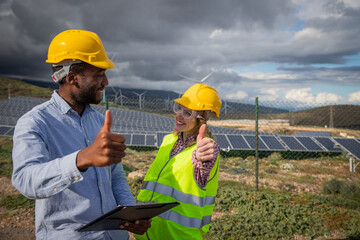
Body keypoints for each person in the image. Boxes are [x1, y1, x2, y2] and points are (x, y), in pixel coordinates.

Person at [11, 29, 151, 239]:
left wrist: (130, 213)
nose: (106, 82)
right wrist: (80, 160)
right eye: (99, 75)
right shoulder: (35, 122)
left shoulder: (98, 121)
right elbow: (25, 180)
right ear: (72, 77)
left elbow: (115, 175)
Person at [134, 83, 222, 239]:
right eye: (179, 108)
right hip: (146, 233)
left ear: (202, 120)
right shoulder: (168, 140)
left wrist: (206, 155)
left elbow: (205, 160)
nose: (179, 115)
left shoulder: (204, 149)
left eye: (187, 112)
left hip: (178, 235)